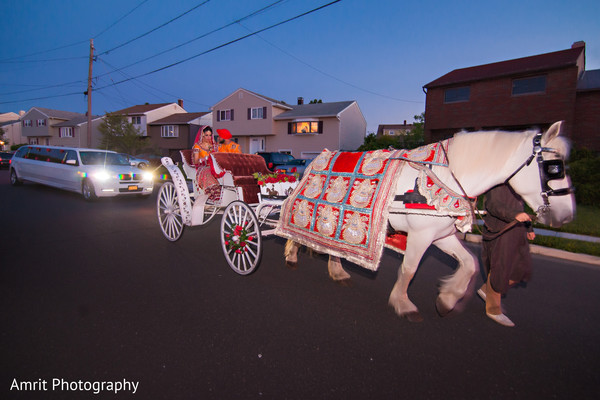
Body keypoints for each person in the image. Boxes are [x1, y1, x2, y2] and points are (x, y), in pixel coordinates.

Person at [478, 184, 535, 327]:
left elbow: (521, 208)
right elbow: (493, 205)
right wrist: (513, 215)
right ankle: (493, 309)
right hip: (501, 229)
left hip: (518, 230)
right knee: (500, 269)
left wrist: (529, 227)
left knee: (522, 270)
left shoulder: (517, 184)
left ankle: (487, 289)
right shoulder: (499, 182)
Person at [191, 126, 220, 198]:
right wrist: (205, 159)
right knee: (209, 171)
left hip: (213, 166)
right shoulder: (197, 146)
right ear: (202, 135)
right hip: (202, 167)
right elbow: (195, 161)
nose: (208, 137)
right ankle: (211, 194)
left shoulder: (214, 146)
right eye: (206, 135)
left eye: (210, 135)